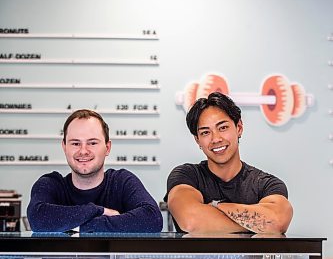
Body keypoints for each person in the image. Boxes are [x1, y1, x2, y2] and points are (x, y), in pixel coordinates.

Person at [165, 92, 293, 234]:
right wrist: (256, 225)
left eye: (223, 128)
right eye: (205, 132)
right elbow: (191, 220)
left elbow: (277, 221)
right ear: (197, 140)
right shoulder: (187, 176)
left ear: (239, 128)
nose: (216, 139)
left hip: (251, 258)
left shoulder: (265, 184)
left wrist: (216, 206)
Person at [27, 109, 163, 233]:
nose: (83, 151)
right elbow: (38, 219)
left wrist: (80, 227)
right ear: (64, 147)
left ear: (107, 148)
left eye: (92, 143)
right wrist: (98, 210)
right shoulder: (51, 184)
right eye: (75, 143)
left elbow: (152, 219)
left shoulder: (121, 182)